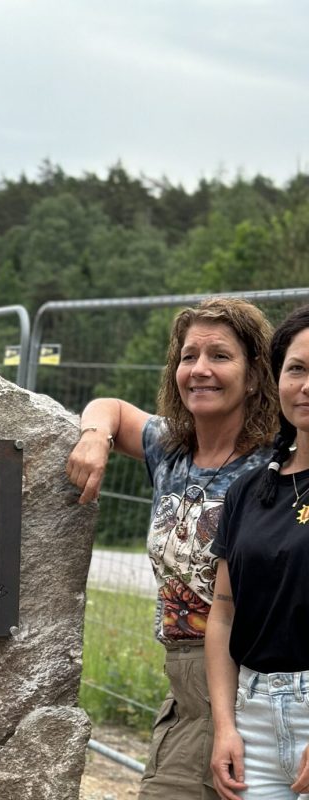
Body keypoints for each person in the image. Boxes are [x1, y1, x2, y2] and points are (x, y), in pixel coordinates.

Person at [66, 297, 279, 799]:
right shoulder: (171, 450)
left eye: (220, 356)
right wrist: (94, 435)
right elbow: (112, 408)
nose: (199, 370)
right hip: (185, 686)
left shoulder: (278, 466)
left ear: (253, 376)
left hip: (255, 685)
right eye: (188, 356)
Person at [207, 305, 309, 800]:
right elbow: (223, 614)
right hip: (253, 722)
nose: (307, 385)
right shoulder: (247, 491)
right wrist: (225, 727)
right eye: (298, 369)